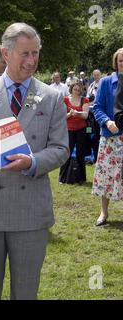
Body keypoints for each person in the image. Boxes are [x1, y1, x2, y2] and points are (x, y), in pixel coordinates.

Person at [0, 22, 69, 300]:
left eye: (35, 53)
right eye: (25, 54)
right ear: (5, 54)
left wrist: (32, 162)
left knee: (25, 292)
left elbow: (60, 149)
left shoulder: (52, 97)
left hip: (30, 210)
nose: (32, 61)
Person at [92, 48, 123, 227]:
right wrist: (106, 121)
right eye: (121, 61)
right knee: (105, 176)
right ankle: (104, 212)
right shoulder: (105, 82)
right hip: (111, 137)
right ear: (115, 63)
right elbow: (97, 107)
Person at [59, 83, 90, 184]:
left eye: (78, 90)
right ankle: (62, 178)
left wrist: (77, 113)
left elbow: (85, 115)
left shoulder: (84, 100)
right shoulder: (65, 99)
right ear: (71, 89)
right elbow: (62, 116)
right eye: (75, 89)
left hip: (82, 129)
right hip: (69, 129)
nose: (77, 91)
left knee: (80, 154)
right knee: (67, 153)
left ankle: (82, 178)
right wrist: (70, 114)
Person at [87, 69, 102, 163]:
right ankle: (91, 156)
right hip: (90, 114)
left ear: (100, 75)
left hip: (99, 113)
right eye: (94, 75)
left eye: (98, 75)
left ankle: (98, 157)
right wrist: (89, 98)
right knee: (89, 133)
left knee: (98, 136)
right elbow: (88, 98)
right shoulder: (91, 85)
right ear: (93, 75)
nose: (96, 76)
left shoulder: (103, 84)